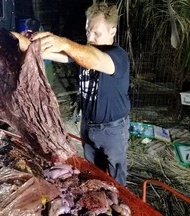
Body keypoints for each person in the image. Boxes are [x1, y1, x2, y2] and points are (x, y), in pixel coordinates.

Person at [31, 3, 131, 186]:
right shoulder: (83, 54)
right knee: (93, 172)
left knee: (117, 177)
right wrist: (21, 41)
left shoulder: (118, 56)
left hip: (113, 130)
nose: (90, 38)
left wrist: (64, 42)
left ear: (113, 31)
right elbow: (53, 53)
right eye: (87, 32)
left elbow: (93, 59)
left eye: (96, 33)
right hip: (88, 125)